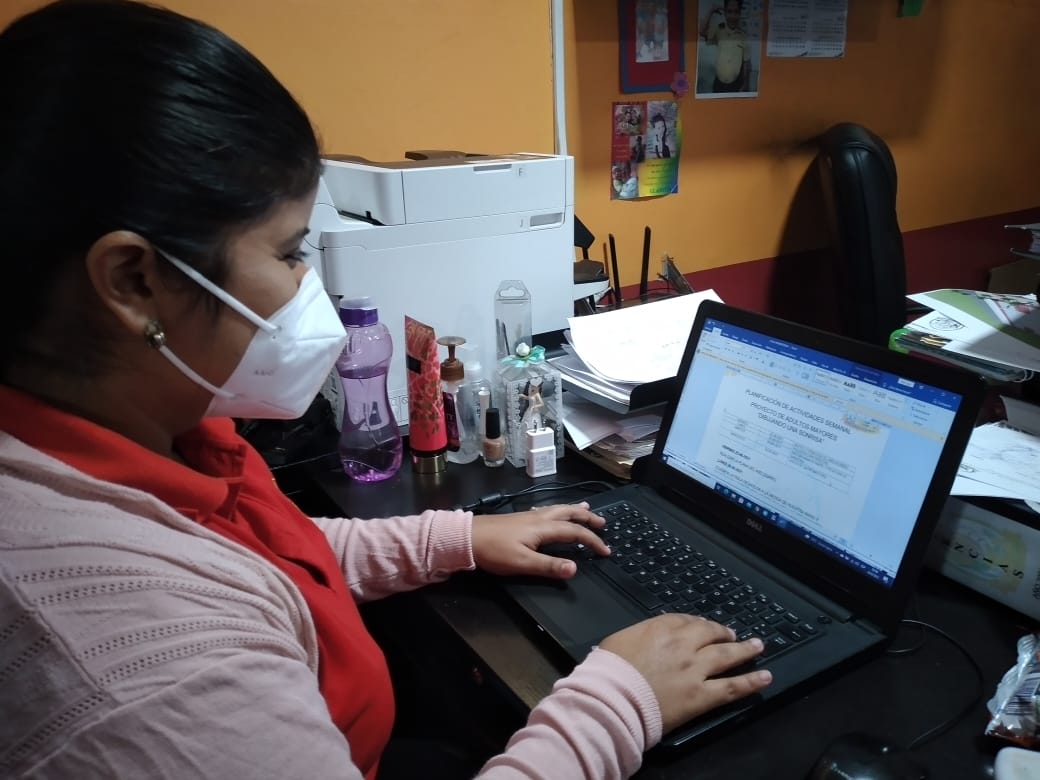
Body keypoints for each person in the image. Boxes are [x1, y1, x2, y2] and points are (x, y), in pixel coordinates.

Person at [0, 2, 772, 779]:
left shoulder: (141, 440)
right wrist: (616, 703)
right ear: (134, 282)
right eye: (289, 254)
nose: (309, 286)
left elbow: (265, 554)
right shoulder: (147, 670)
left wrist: (456, 540)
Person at [699, 0, 751, 93]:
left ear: (740, 14)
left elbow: (746, 63)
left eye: (736, 12)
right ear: (725, 13)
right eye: (729, 11)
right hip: (718, 84)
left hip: (736, 85)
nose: (732, 16)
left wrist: (746, 83)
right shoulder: (719, 29)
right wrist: (711, 10)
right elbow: (702, 31)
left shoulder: (743, 37)